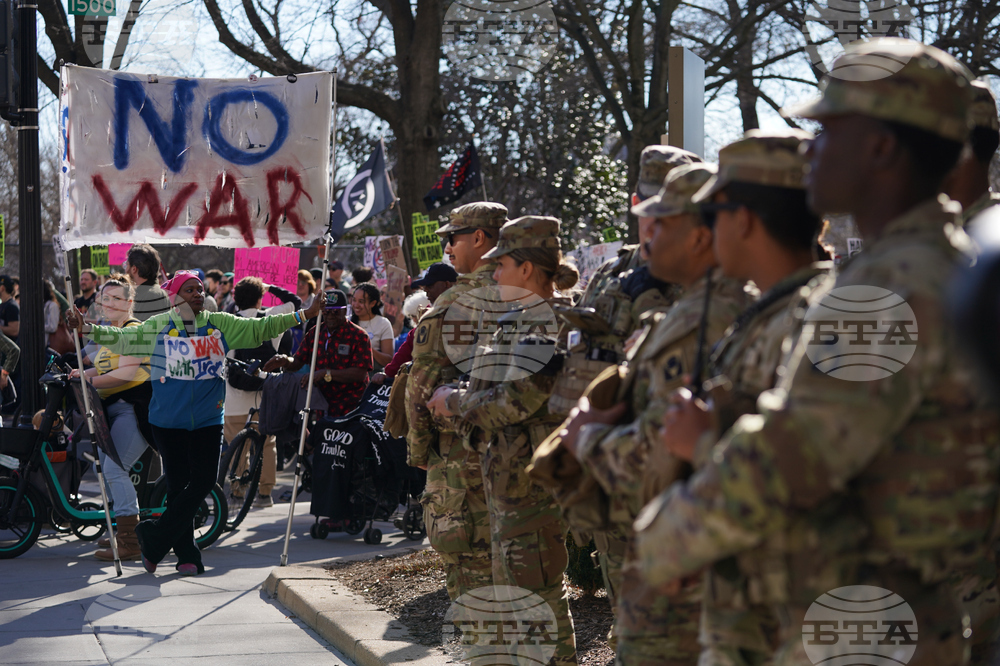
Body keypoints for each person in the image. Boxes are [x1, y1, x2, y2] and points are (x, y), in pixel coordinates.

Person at [633, 39, 996, 666]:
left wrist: (667, 543)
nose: (811, 151)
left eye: (828, 131)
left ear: (882, 147)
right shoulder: (923, 266)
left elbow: (789, 456)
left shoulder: (894, 287)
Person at [555, 165, 751, 665]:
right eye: (646, 210)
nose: (649, 229)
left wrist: (588, 442)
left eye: (663, 217)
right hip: (630, 489)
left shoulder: (714, 306)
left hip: (669, 499)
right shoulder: (620, 273)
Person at [658, 130, 827, 665]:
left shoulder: (812, 320)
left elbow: (810, 467)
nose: (707, 233)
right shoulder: (769, 315)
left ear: (746, 220)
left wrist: (701, 444)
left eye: (714, 216)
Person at [542, 145, 701, 643]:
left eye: (675, 212)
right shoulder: (612, 274)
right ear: (636, 203)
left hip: (670, 473)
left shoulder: (706, 281)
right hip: (605, 464)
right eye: (652, 209)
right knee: (627, 611)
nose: (658, 224)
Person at [67, 270, 323, 575]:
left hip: (207, 419)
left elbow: (261, 326)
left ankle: (154, 538)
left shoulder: (220, 323)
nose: (198, 294)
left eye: (200, 289)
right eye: (190, 290)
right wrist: (89, 329)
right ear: (175, 297)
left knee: (202, 482)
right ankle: (187, 556)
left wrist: (305, 313)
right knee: (177, 489)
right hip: (166, 422)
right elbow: (124, 339)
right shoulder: (159, 326)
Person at [428, 215, 581, 666]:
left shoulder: (546, 325)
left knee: (540, 608)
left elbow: (516, 400)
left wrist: (452, 402)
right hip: (510, 489)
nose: (493, 275)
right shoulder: (520, 322)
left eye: (502, 266)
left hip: (532, 492)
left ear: (527, 269)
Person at [404, 202, 506, 603]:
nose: (447, 248)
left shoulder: (451, 303)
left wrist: (419, 450)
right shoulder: (531, 294)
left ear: (479, 238)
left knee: (472, 577)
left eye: (452, 238)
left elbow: (422, 382)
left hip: (462, 457)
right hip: (526, 455)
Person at [69, 275, 154, 561]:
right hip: (112, 410)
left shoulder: (134, 331)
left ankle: (131, 541)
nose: (110, 303)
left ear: (130, 303)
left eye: (117, 298)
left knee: (115, 469)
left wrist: (86, 381)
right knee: (105, 471)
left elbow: (126, 374)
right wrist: (76, 375)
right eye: (106, 298)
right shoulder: (108, 331)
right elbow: (99, 367)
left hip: (135, 410)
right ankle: (123, 530)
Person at [223, 277, 301, 509]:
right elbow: (295, 302)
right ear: (260, 298)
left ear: (235, 298)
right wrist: (272, 288)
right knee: (267, 445)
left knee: (237, 449)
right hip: (265, 394)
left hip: (234, 398)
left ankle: (237, 493)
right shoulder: (270, 318)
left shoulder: (227, 321)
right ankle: (265, 494)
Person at [263, 290, 371, 417]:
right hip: (321, 404)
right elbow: (297, 361)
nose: (330, 315)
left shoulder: (359, 335)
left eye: (335, 311)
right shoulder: (316, 332)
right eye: (326, 311)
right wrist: (285, 361)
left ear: (345, 311)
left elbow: (360, 373)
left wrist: (326, 373)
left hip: (350, 405)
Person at [373, 266, 453, 384]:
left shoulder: (467, 311)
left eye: (430, 285)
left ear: (447, 284)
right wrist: (388, 373)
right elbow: (408, 347)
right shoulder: (428, 316)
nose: (425, 290)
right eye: (424, 286)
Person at [351, 284, 395, 370]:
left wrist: (366, 345)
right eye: (354, 300)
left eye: (361, 301)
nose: (356, 305)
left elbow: (388, 360)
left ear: (373, 303)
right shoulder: (347, 322)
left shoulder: (383, 323)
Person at [124, 244, 171, 323]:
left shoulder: (150, 295)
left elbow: (139, 331)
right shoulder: (153, 292)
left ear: (134, 269)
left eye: (126, 265)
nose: (125, 270)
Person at [42, 281, 60, 348]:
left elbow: (53, 327)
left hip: (49, 345)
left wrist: (39, 327)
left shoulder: (52, 305)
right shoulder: (43, 304)